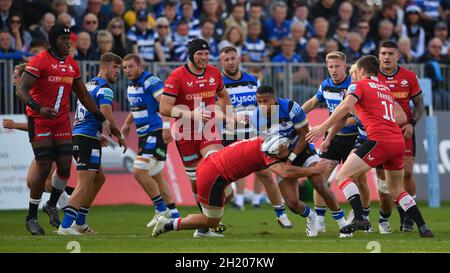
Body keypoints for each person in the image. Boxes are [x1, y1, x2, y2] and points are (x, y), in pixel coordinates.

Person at [306, 55, 433, 237]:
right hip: (397, 142)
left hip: (378, 140)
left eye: (355, 71)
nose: (354, 74)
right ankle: (423, 227)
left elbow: (343, 107)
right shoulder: (385, 88)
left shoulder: (358, 85)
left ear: (362, 71)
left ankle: (359, 217)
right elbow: (403, 117)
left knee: (342, 176)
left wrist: (322, 128)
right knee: (396, 189)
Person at [15, 24, 120, 236]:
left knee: (64, 167)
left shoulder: (72, 65)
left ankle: (52, 204)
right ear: (53, 41)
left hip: (62, 120)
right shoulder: (39, 61)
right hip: (40, 119)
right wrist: (37, 107)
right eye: (64, 40)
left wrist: (102, 120)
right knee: (44, 166)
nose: (68, 44)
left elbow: (84, 96)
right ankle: (32, 217)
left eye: (69, 40)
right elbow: (21, 89)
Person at [151, 135, 332, 237]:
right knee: (212, 220)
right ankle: (169, 224)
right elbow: (285, 172)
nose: (287, 151)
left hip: (210, 166)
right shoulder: (268, 153)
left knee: (228, 197)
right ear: (276, 150)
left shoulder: (262, 141)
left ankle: (202, 228)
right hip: (213, 176)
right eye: (284, 150)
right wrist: (315, 170)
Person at [159, 38, 233, 238]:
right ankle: (205, 226)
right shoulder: (177, 76)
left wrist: (228, 117)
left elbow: (223, 95)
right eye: (200, 54)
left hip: (209, 130)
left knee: (217, 167)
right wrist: (191, 114)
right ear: (191, 55)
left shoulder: (214, 73)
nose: (204, 58)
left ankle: (210, 219)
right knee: (196, 182)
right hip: (186, 134)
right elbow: (164, 107)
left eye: (207, 54)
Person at [251, 85, 348, 237]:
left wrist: (291, 157)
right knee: (292, 203)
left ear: (274, 99)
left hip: (302, 150)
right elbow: (267, 146)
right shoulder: (256, 117)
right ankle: (312, 216)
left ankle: (343, 224)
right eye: (259, 102)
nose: (262, 105)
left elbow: (304, 134)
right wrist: (282, 157)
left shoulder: (290, 107)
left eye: (266, 101)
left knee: (320, 184)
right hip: (280, 156)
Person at [219, 46, 292, 228]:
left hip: (253, 135)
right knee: (223, 178)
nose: (230, 62)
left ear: (239, 59)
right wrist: (230, 117)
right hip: (230, 136)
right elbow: (214, 109)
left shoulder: (252, 81)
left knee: (266, 174)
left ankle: (280, 214)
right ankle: (214, 218)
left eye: (233, 58)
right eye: (226, 59)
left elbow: (264, 106)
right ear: (221, 63)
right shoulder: (218, 84)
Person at [58, 53, 126, 235]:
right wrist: (119, 135)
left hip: (83, 135)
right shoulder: (105, 88)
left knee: (99, 178)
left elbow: (90, 112)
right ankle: (65, 226)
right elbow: (106, 113)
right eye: (115, 68)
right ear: (104, 67)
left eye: (119, 69)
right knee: (84, 183)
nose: (118, 72)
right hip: (86, 138)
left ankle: (80, 222)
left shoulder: (89, 84)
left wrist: (98, 133)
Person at [301, 51, 360, 234]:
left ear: (346, 67)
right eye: (330, 67)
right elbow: (313, 102)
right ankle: (319, 219)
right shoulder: (326, 85)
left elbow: (353, 118)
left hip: (355, 137)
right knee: (320, 178)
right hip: (334, 138)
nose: (334, 70)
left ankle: (360, 215)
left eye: (337, 66)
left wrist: (327, 128)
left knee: (359, 180)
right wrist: (294, 114)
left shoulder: (354, 86)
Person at [2, 63, 74, 209]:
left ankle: (69, 213)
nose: (14, 81)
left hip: (53, 142)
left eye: (16, 77)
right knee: (32, 182)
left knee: (45, 181)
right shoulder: (30, 95)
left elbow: (38, 124)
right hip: (43, 142)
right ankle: (68, 196)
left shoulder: (38, 96)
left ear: (25, 77)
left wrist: (14, 125)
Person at [121, 53, 180, 228]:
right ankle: (174, 215)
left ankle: (161, 210)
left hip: (155, 132)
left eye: (130, 66)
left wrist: (167, 127)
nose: (127, 70)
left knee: (139, 171)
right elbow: (136, 107)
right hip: (143, 135)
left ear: (140, 66)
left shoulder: (151, 81)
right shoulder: (131, 85)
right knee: (157, 175)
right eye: (124, 67)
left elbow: (165, 105)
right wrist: (126, 123)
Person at [377, 40, 425, 233]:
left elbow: (420, 105)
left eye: (390, 53)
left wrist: (412, 124)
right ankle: (387, 215)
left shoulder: (409, 77)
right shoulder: (372, 77)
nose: (387, 57)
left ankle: (408, 217)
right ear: (378, 56)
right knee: (385, 185)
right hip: (379, 133)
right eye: (383, 53)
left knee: (407, 173)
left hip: (403, 132)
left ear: (398, 56)